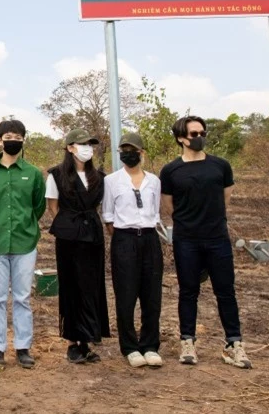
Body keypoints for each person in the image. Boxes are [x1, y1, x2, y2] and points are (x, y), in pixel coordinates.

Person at [161, 115, 252, 369]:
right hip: (186, 240)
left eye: (202, 133)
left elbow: (225, 200)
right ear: (181, 138)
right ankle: (187, 341)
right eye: (193, 134)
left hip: (217, 239)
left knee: (226, 291)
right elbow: (169, 207)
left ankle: (234, 344)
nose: (199, 137)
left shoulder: (221, 166)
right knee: (188, 291)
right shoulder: (170, 171)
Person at [0, 119, 45, 369]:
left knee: (22, 297)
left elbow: (38, 207)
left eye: (18, 136)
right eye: (8, 136)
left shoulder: (34, 173)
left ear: (23, 140)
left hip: (25, 243)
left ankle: (23, 347)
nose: (12, 140)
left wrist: (27, 227)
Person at [46, 128, 111, 364]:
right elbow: (52, 206)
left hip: (92, 234)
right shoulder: (56, 175)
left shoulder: (100, 177)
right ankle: (72, 342)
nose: (87, 148)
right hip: (69, 235)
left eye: (90, 144)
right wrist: (67, 226)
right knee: (71, 284)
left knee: (91, 284)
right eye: (82, 144)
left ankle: (88, 338)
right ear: (70, 147)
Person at [101, 132, 163, 368]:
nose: (128, 153)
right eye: (123, 150)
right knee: (125, 294)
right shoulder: (112, 181)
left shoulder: (154, 181)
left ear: (141, 153)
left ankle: (150, 345)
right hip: (124, 239)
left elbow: (156, 211)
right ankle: (129, 346)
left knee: (151, 294)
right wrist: (122, 240)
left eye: (132, 149)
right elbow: (108, 215)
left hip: (149, 238)